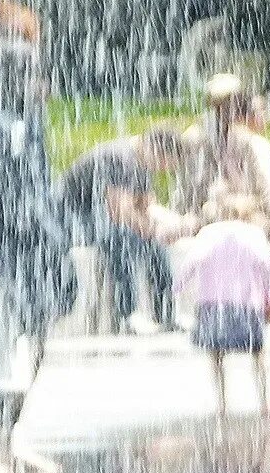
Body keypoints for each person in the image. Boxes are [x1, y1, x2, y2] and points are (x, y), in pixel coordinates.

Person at [0, 38, 72, 466]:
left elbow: (35, 191)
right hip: (6, 257)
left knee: (16, 348)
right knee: (6, 352)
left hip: (17, 254)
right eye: (36, 75)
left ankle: (6, 442)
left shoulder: (24, 122)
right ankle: (2, 446)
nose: (44, 84)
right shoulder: (5, 125)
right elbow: (14, 198)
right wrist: (50, 240)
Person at [182, 74, 270, 322]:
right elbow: (193, 188)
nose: (230, 108)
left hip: (251, 209)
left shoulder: (246, 140)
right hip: (208, 211)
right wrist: (227, 203)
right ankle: (259, 303)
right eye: (224, 103)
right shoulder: (196, 138)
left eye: (235, 101)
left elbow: (267, 186)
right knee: (255, 229)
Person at [60, 125, 189, 332]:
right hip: (72, 217)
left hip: (102, 217)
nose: (163, 170)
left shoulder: (142, 160)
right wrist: (153, 230)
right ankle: (128, 315)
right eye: (164, 163)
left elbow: (147, 206)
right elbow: (119, 212)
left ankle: (167, 313)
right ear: (154, 148)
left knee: (155, 244)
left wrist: (174, 225)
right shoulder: (119, 157)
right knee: (119, 238)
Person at [174, 194, 270, 418]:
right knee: (258, 354)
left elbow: (191, 262)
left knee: (216, 355)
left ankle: (222, 404)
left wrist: (177, 288)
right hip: (246, 304)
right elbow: (267, 265)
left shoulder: (208, 233)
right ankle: (265, 403)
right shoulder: (253, 234)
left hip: (213, 304)